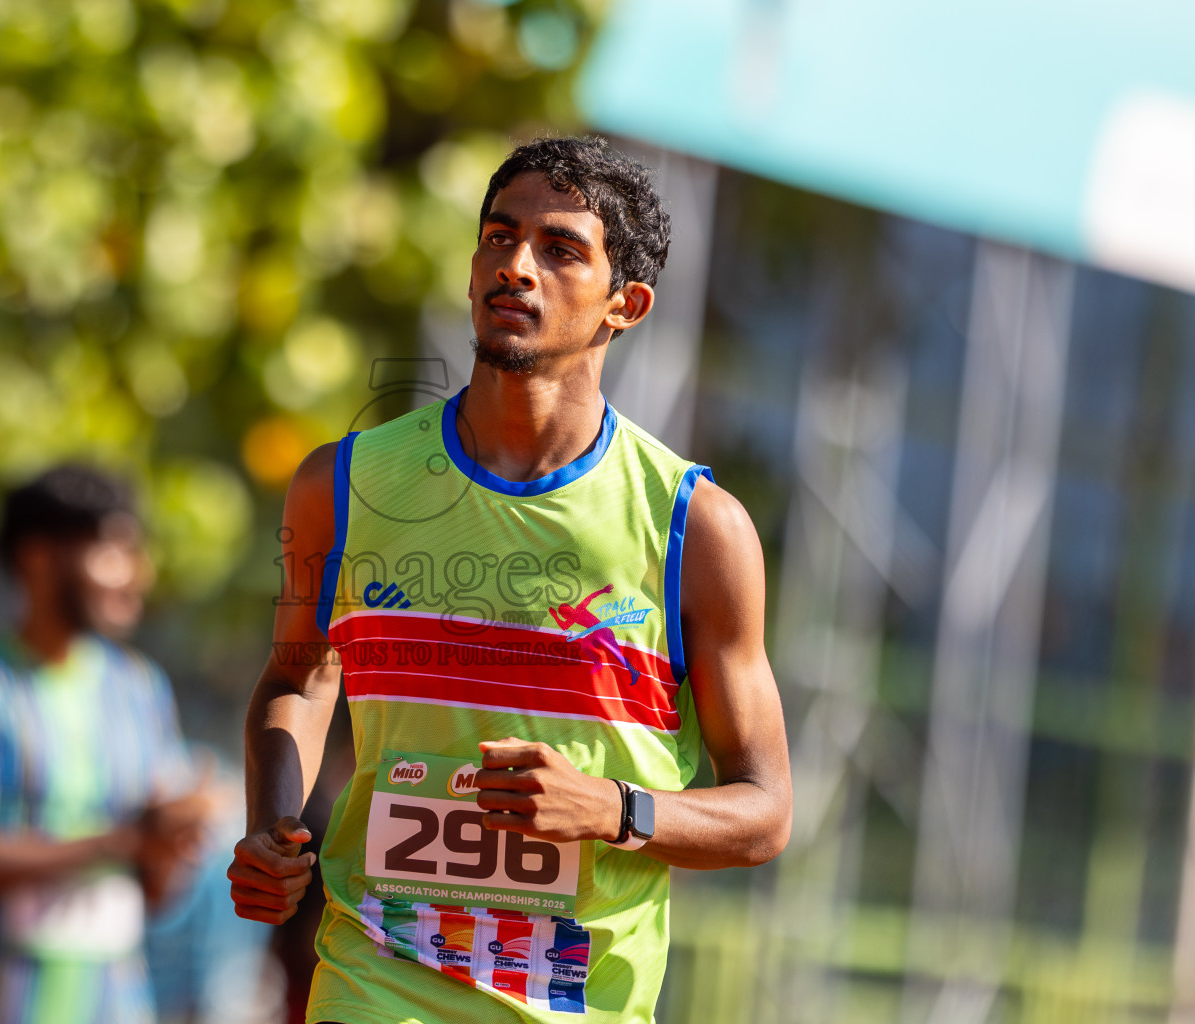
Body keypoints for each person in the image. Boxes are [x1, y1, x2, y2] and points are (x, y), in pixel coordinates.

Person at [228, 136, 793, 1023]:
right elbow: (298, 677)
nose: (516, 266)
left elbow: (764, 812)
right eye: (499, 237)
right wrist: (273, 824)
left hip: (581, 1001)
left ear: (626, 305)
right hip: (375, 979)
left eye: (561, 249)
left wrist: (610, 808)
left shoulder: (698, 529)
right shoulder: (343, 484)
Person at [0, 464, 215, 1024]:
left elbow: (155, 888)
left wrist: (175, 836)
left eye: (137, 553)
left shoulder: (140, 690)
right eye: (113, 551)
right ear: (37, 557)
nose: (135, 575)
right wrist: (124, 841)